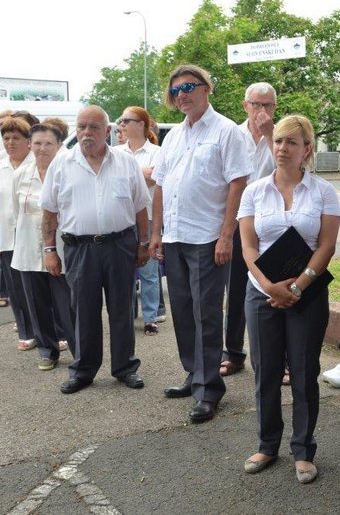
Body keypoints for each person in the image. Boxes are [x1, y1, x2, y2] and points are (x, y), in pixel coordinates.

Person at [239, 114, 340, 484]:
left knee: (303, 371)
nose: (282, 148)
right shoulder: (254, 191)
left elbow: (326, 246)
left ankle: (303, 450)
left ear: (307, 150)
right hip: (261, 293)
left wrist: (297, 287)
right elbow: (249, 247)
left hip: (307, 295)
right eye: (278, 141)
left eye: (291, 142)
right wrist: (270, 286)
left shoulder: (323, 192)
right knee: (265, 371)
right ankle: (267, 445)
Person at [149, 64, 252, 423]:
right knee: (182, 311)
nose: (182, 95)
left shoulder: (226, 131)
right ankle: (194, 374)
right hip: (175, 236)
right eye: (176, 90)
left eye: (189, 87)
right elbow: (161, 185)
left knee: (206, 313)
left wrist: (226, 235)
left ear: (206, 88)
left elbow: (238, 183)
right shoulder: (173, 136)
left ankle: (209, 389)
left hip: (208, 237)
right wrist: (156, 232)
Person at [40, 105, 150, 395]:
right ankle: (84, 370)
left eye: (94, 127)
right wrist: (49, 249)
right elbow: (49, 212)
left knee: (122, 309)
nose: (86, 133)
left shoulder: (126, 162)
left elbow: (141, 207)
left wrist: (143, 244)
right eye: (81, 127)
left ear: (108, 131)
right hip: (80, 250)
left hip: (120, 246)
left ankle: (125, 368)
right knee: (83, 311)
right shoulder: (62, 164)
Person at [220, 81, 278, 378]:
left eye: (267, 105)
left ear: (275, 108)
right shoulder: (232, 134)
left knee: (274, 286)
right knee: (236, 290)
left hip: (272, 225)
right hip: (238, 221)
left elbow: (293, 168)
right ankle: (233, 352)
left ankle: (280, 358)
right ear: (245, 106)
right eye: (256, 104)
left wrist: (270, 134)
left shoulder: (280, 135)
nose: (261, 110)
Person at [11, 122, 74, 370]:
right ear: (29, 145)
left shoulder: (67, 173)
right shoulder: (20, 175)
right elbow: (16, 213)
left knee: (67, 305)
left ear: (59, 145)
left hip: (61, 249)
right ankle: (47, 351)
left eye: (48, 143)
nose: (42, 148)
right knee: (37, 305)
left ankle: (79, 352)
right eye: (37, 143)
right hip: (28, 250)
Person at [0, 117, 38, 351]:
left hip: (34, 238)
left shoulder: (38, 163)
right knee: (16, 289)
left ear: (28, 141)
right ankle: (27, 332)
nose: (10, 142)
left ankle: (53, 332)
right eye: (6, 138)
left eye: (16, 138)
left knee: (40, 289)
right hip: (6, 239)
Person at [114, 106, 162, 336]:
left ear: (141, 124)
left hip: (149, 216)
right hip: (121, 219)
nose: (121, 125)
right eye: (121, 121)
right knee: (123, 272)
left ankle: (150, 317)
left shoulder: (157, 152)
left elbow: (155, 179)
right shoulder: (115, 152)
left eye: (127, 120)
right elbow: (113, 182)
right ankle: (127, 315)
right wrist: (141, 174)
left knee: (149, 270)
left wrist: (130, 176)